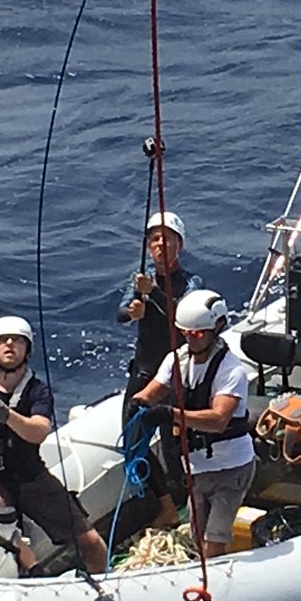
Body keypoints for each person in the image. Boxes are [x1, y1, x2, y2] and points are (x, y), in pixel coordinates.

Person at [0, 315, 108, 575]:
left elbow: (39, 431)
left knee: (92, 543)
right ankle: (34, 572)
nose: (10, 345)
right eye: (2, 341)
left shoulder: (37, 391)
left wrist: (7, 416)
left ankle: (100, 584)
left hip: (31, 476)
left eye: (17, 341)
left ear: (27, 350)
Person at [130, 289, 255, 559]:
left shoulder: (231, 371)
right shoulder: (177, 359)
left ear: (217, 327)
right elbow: (154, 390)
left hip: (231, 468)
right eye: (184, 332)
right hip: (197, 468)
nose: (190, 338)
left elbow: (219, 420)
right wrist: (139, 402)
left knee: (213, 543)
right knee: (196, 536)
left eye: (197, 333)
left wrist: (170, 414)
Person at [116, 209, 203, 526]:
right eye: (154, 239)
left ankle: (193, 503)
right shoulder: (140, 281)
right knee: (132, 439)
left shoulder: (190, 282)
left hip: (176, 375)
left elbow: (185, 316)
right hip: (143, 372)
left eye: (167, 239)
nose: (160, 245)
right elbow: (121, 312)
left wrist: (153, 293)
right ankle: (165, 505)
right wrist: (133, 310)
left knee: (174, 444)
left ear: (179, 245)